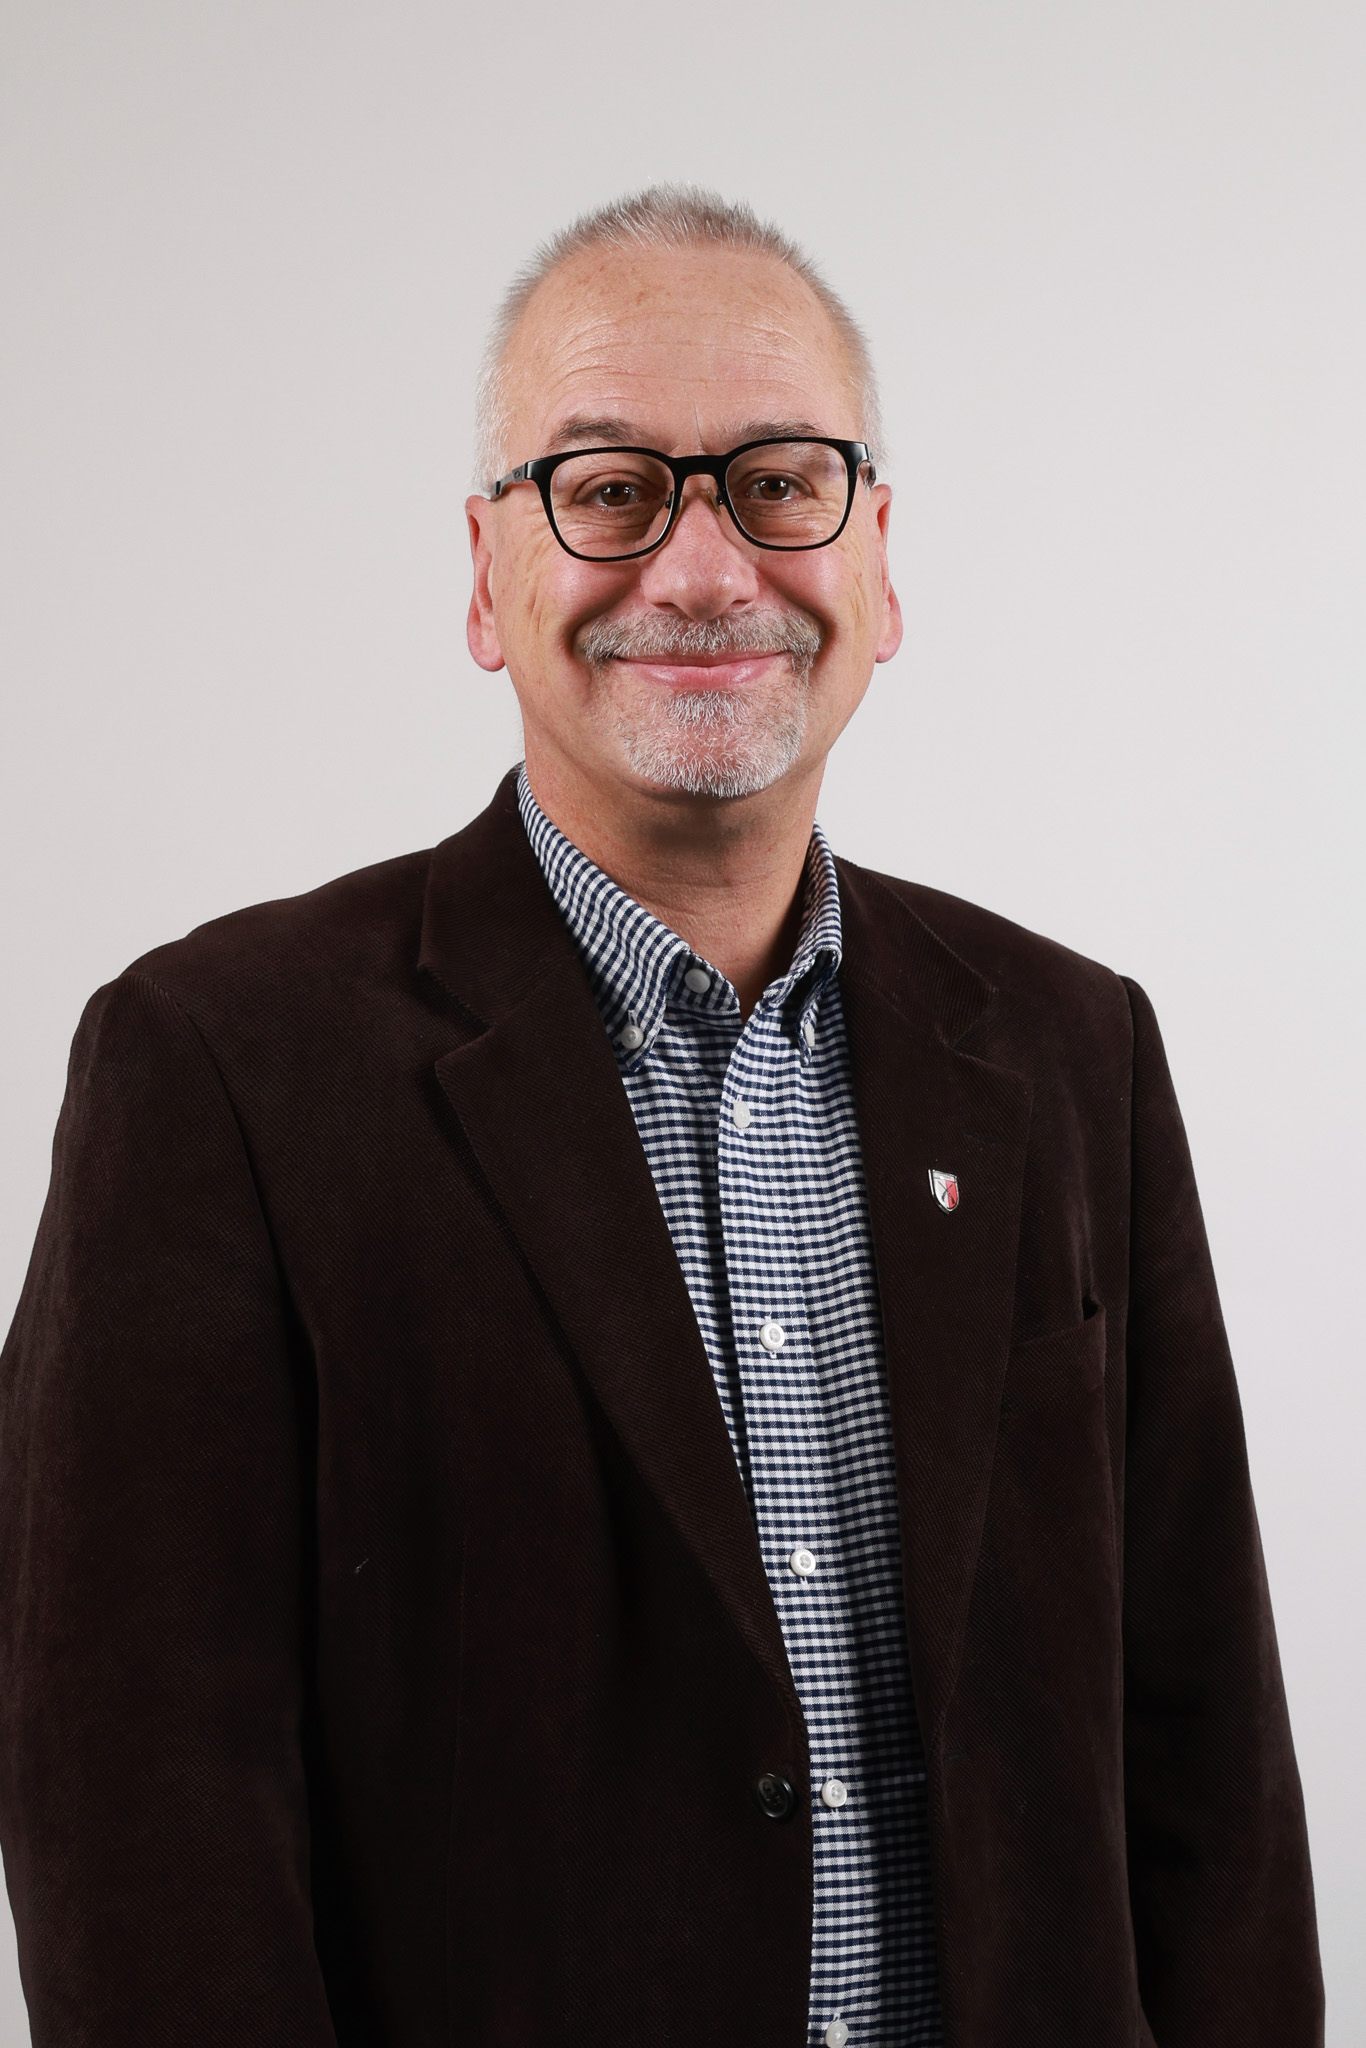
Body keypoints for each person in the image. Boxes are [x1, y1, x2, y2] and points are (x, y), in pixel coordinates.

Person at [0, 186, 1322, 2048]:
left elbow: (1207, 1763)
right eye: (609, 489)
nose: (702, 571)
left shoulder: (1067, 1046)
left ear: (876, 563)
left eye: (779, 484)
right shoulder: (214, 1065)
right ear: (487, 576)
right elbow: (136, 1814)